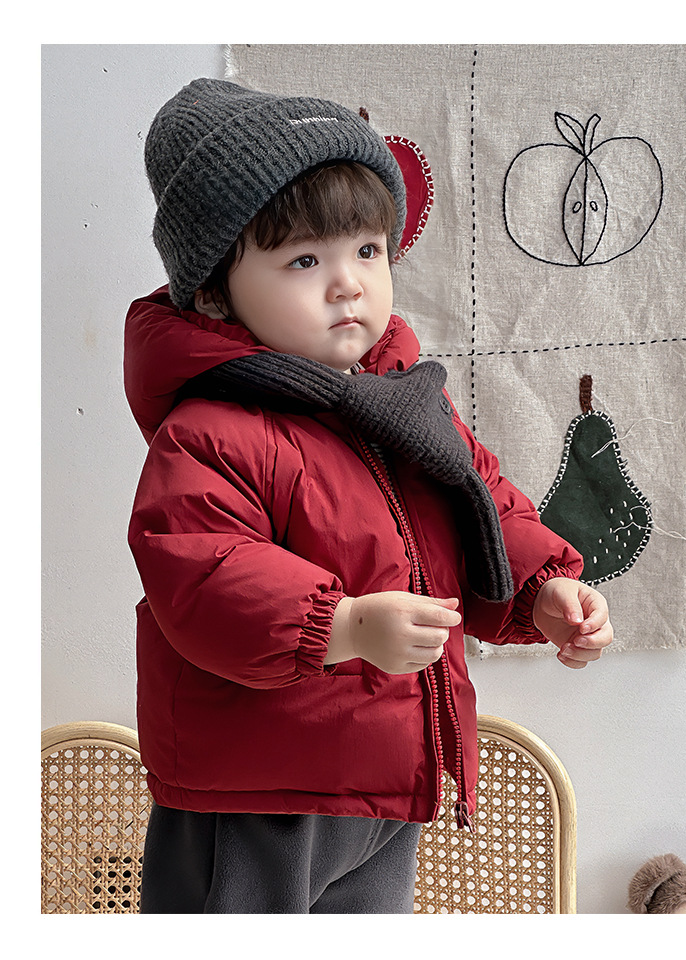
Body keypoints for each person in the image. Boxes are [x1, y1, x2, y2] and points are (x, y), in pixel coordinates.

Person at [124, 78, 613, 914]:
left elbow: (481, 505)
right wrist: (341, 625)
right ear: (213, 292)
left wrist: (541, 590)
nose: (347, 283)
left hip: (385, 783)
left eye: (367, 250)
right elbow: (203, 573)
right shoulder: (211, 430)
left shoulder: (405, 404)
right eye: (304, 260)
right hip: (255, 794)